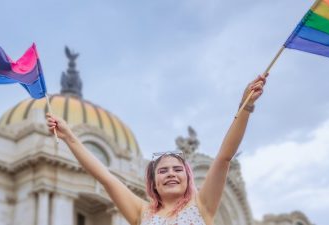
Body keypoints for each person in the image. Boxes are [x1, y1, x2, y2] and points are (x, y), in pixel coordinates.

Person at [46, 74, 266, 225]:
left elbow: (224, 158)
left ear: (188, 178)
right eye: (162, 171)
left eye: (177, 169)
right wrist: (69, 137)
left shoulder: (202, 205)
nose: (170, 173)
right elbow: (105, 177)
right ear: (153, 182)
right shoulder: (142, 212)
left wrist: (245, 106)